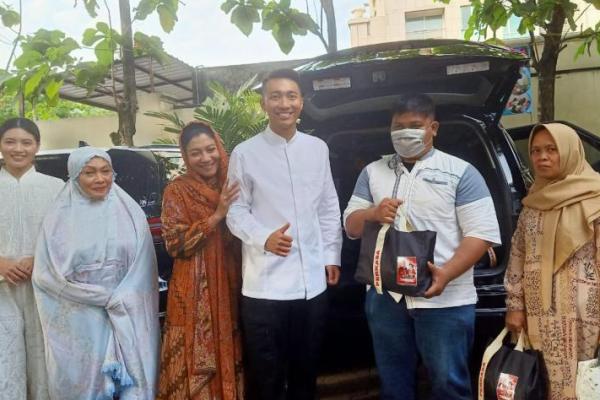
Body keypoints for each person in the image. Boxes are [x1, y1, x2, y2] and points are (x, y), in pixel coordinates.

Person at [344, 93, 501, 400]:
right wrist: (373, 214)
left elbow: (481, 234)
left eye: (415, 125)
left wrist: (446, 274)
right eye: (398, 126)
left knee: (448, 384)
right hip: (386, 297)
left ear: (434, 127)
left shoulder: (461, 172)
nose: (405, 132)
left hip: (445, 300)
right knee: (393, 383)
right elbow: (350, 225)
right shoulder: (373, 172)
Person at [226, 68, 343, 400]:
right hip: (265, 288)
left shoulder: (317, 148)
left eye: (291, 96)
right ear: (264, 103)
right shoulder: (245, 153)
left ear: (301, 102)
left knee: (307, 372)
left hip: (312, 284)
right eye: (275, 96)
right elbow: (235, 212)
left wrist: (331, 255)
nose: (284, 103)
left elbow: (327, 206)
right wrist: (264, 237)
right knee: (268, 378)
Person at [32, 147, 160, 400]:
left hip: (126, 308)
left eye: (106, 171)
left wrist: (119, 297)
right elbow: (45, 275)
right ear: (74, 175)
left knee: (132, 383)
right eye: (89, 172)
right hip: (79, 317)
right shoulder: (58, 217)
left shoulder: (130, 212)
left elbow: (144, 265)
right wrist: (92, 296)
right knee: (85, 382)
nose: (100, 179)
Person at [504, 123, 600, 399]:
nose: (542, 157)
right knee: (540, 382)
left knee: (586, 384)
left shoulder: (595, 199)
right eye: (535, 151)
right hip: (538, 314)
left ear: (570, 151)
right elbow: (518, 258)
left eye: (551, 149)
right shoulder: (532, 204)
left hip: (586, 315)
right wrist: (514, 305)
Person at [157, 121, 244, 400]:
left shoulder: (233, 184)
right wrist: (217, 216)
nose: (206, 158)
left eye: (210, 149)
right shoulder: (177, 190)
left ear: (219, 148)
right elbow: (174, 243)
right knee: (194, 350)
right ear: (186, 156)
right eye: (196, 153)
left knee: (232, 342)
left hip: (231, 279)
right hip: (193, 287)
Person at [0, 118, 63, 400]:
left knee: (43, 360)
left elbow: (67, 236)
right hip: (2, 290)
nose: (18, 149)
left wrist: (39, 259)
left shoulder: (56, 187)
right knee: (5, 359)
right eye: (10, 141)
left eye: (26, 142)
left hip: (43, 290)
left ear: (37, 146)